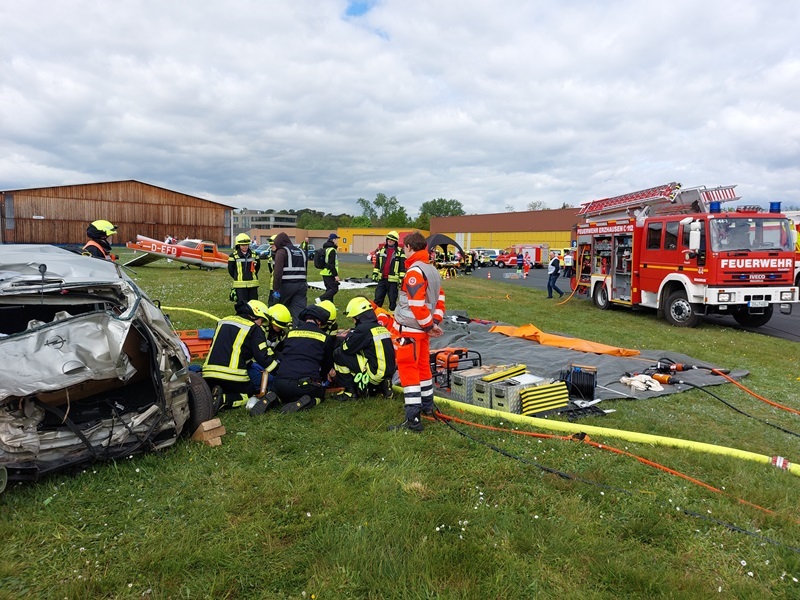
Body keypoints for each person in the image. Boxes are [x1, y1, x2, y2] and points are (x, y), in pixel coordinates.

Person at [389, 232, 446, 433]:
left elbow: (416, 304)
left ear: (409, 247)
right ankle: (427, 407)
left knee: (408, 370)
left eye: (404, 248)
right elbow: (440, 300)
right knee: (423, 369)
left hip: (410, 331)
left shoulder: (414, 272)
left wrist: (430, 325)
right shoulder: (432, 270)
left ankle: (413, 418)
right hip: (422, 332)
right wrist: (434, 322)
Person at [202, 300, 280, 410]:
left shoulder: (223, 321)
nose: (261, 324)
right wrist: (279, 372)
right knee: (249, 393)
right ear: (254, 316)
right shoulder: (254, 328)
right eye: (261, 320)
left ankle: (211, 395)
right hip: (233, 376)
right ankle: (225, 400)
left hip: (208, 373)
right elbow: (262, 357)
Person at [270, 305, 336, 413]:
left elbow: (279, 351)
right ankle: (306, 402)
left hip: (280, 382)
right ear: (319, 322)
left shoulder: (290, 334)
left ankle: (274, 397)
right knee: (320, 394)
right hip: (305, 385)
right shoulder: (324, 337)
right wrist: (323, 379)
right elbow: (327, 364)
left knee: (283, 394)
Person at [332, 297, 396, 401]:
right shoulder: (380, 327)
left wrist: (348, 336)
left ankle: (350, 392)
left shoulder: (363, 330)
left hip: (375, 373)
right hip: (388, 372)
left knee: (338, 354)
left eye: (353, 318)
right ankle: (381, 386)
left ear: (358, 317)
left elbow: (346, 348)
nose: (353, 321)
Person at [271, 232, 308, 326]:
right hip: (301, 286)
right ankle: (298, 333)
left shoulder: (282, 252)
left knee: (279, 310)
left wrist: (276, 289)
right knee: (299, 313)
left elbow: (278, 273)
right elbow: (305, 270)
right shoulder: (301, 252)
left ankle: (278, 333)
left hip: (286, 286)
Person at [372, 231, 406, 311]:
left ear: (395, 241)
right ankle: (375, 315)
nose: (390, 241)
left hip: (393, 281)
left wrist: (401, 279)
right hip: (382, 279)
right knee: (378, 298)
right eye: (388, 239)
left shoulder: (400, 252)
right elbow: (377, 264)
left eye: (392, 240)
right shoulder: (382, 250)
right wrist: (375, 273)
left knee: (392, 300)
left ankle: (392, 316)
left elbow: (402, 267)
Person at [228, 233, 261, 303]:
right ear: (238, 245)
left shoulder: (254, 255)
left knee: (253, 304)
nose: (245, 247)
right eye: (243, 245)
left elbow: (257, 267)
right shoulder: (233, 256)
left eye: (246, 245)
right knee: (242, 304)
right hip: (240, 285)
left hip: (253, 284)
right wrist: (237, 276)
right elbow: (231, 270)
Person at [317, 233, 340, 304]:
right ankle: (320, 299)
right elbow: (331, 264)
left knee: (329, 289)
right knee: (334, 289)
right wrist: (335, 275)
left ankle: (330, 305)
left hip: (325, 272)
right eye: (336, 239)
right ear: (333, 240)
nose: (337, 241)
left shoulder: (326, 248)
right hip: (329, 273)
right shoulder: (332, 250)